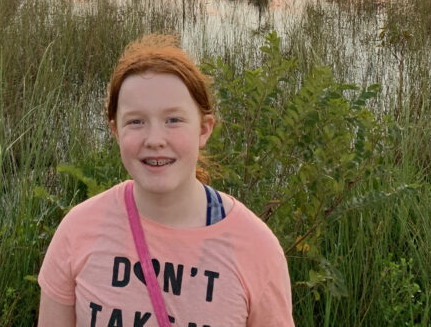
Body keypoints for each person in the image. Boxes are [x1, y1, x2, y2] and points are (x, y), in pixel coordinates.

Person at [37, 34, 294, 327]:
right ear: (115, 132)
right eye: (136, 121)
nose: (155, 140)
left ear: (204, 129)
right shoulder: (78, 230)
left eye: (173, 120)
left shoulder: (255, 248)